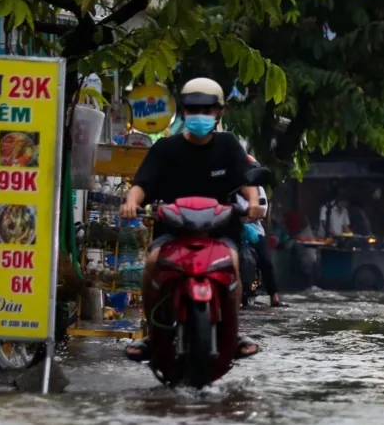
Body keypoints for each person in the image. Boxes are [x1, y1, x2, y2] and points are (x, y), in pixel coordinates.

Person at [120, 78, 265, 360]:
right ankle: (152, 333)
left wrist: (254, 201)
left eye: (208, 110)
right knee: (151, 264)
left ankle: (232, 332)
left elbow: (246, 178)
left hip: (220, 232)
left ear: (219, 113)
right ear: (183, 112)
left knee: (233, 266)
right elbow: (142, 184)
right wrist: (130, 202)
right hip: (172, 232)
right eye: (193, 109)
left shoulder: (228, 144)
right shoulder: (165, 148)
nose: (200, 115)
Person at [236, 155, 288, 307]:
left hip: (254, 231)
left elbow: (262, 210)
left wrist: (247, 218)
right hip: (232, 228)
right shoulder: (231, 187)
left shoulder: (258, 189)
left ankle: (274, 296)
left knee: (265, 261)